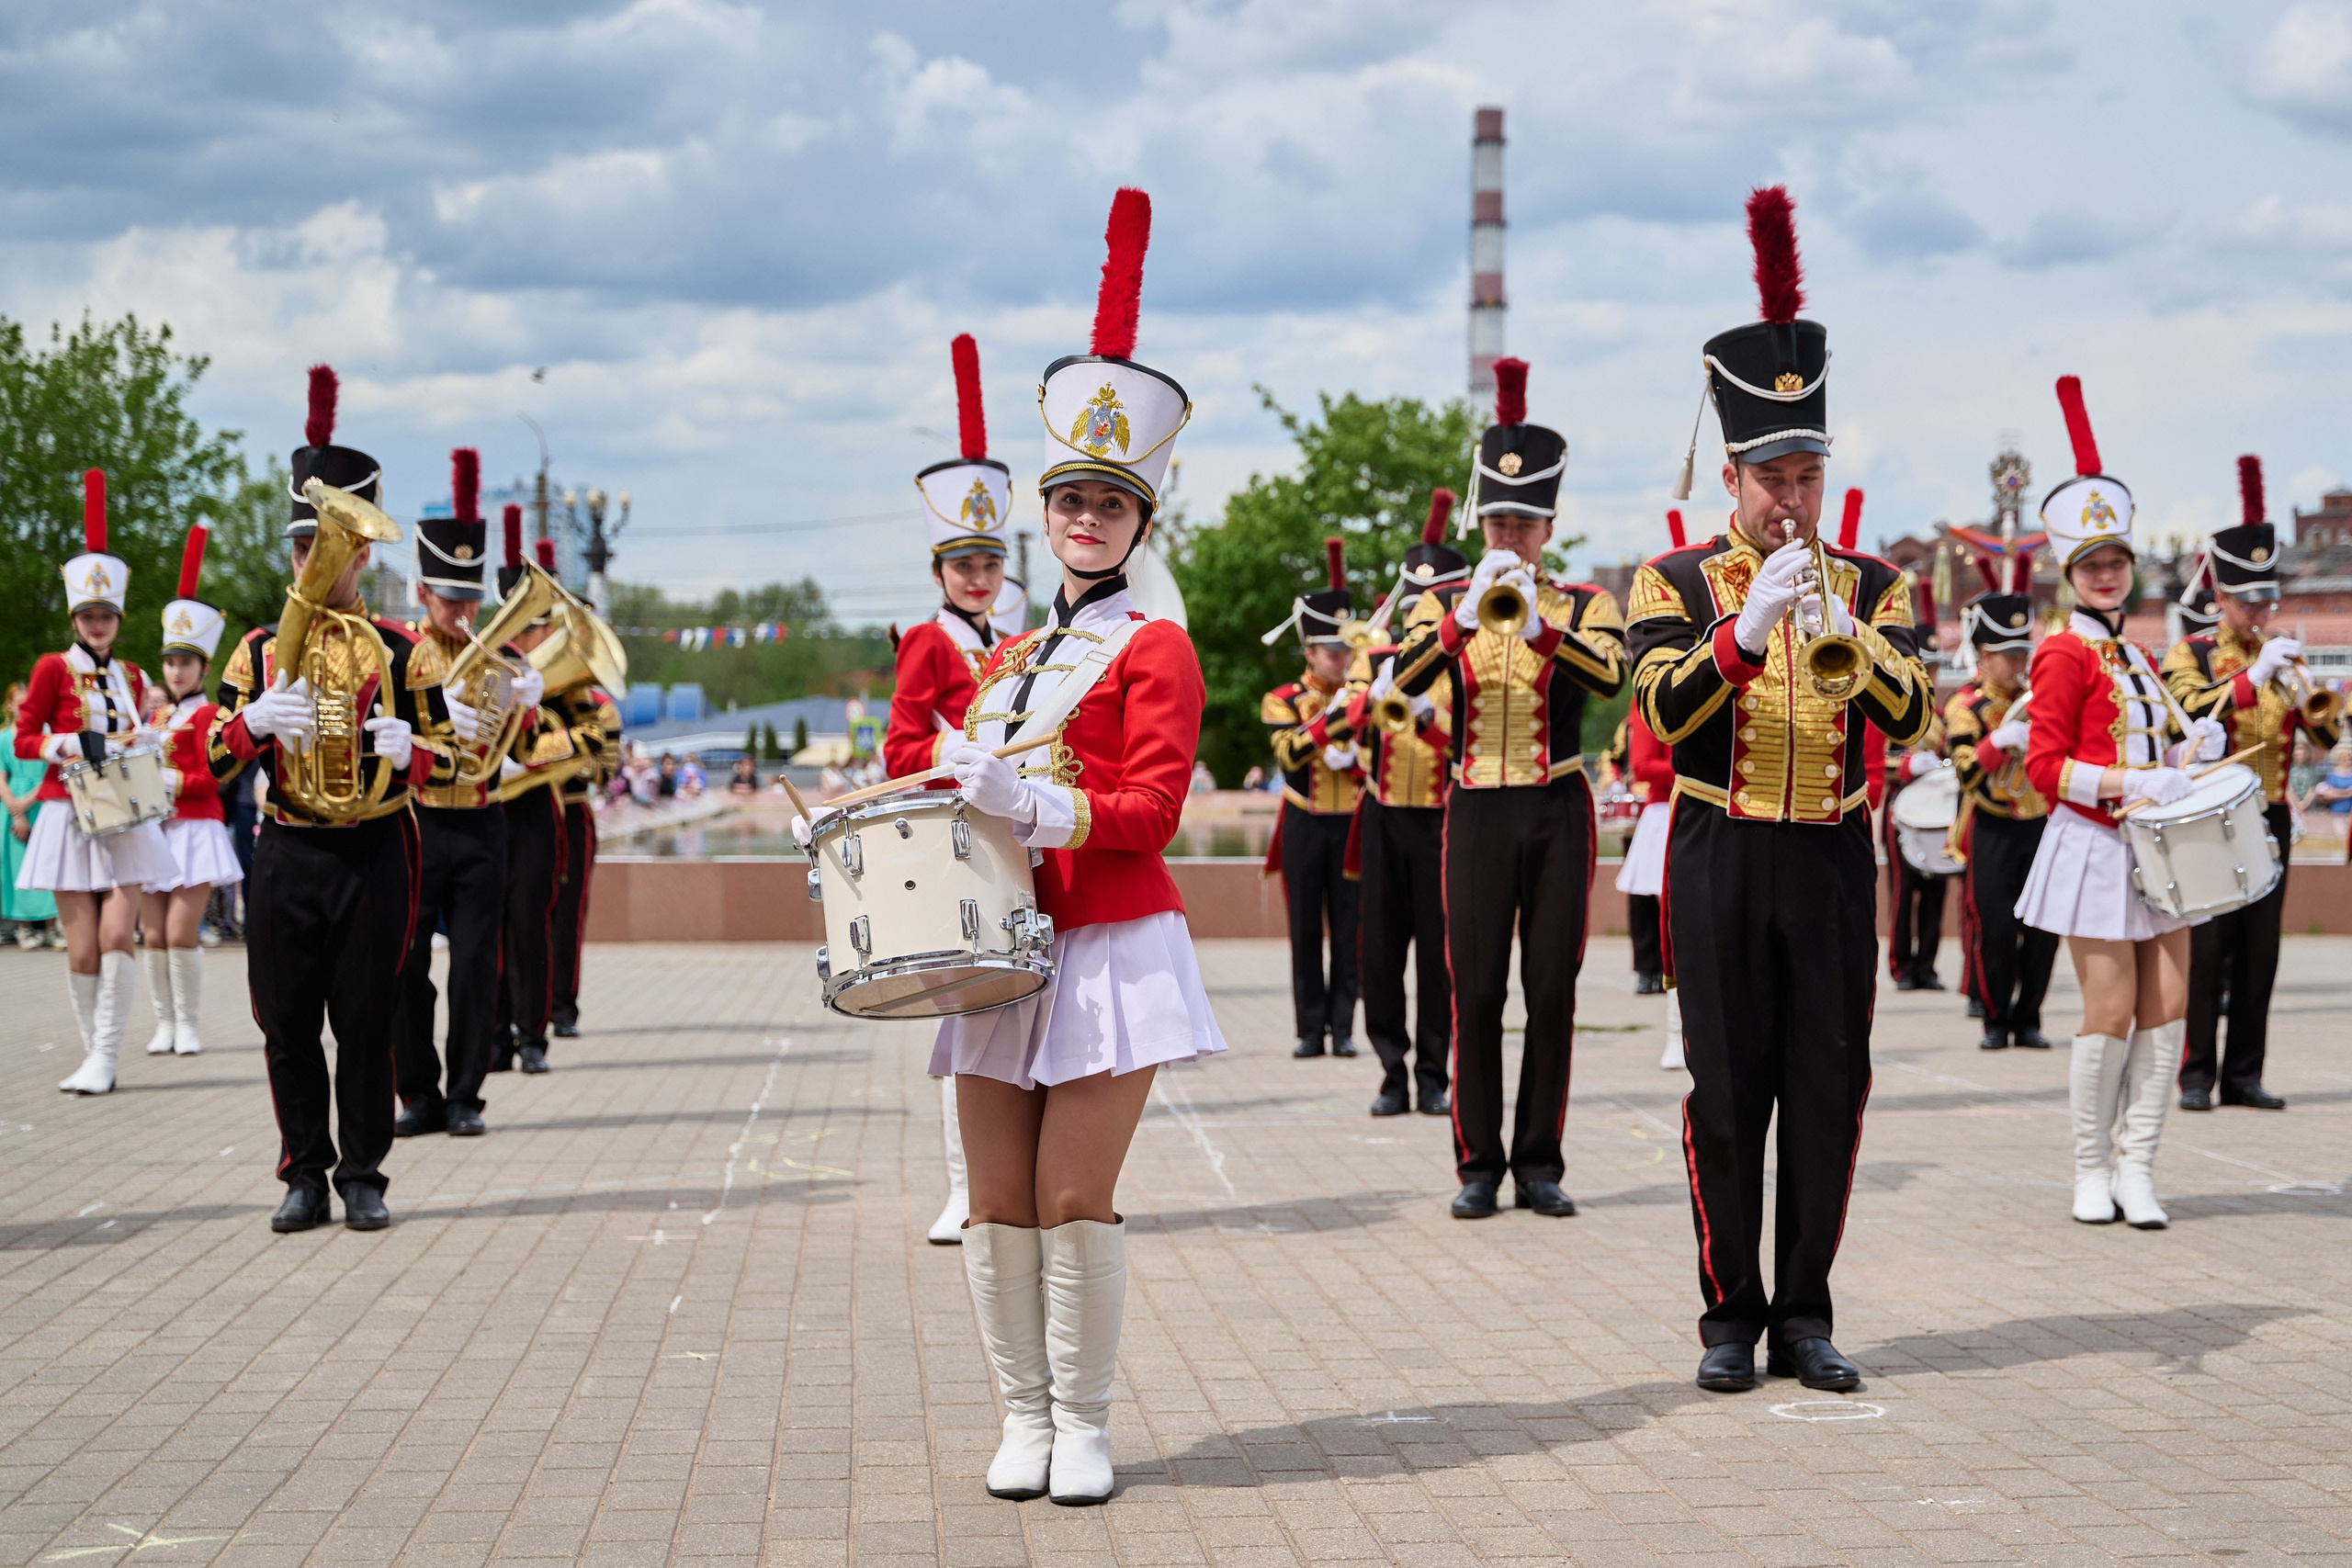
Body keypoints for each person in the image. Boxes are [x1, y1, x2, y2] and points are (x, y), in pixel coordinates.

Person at [917, 187, 1224, 1507]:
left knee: (1068, 1195)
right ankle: (1023, 1418)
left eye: (1110, 501)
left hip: (1109, 944)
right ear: (1044, 514)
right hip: (1002, 949)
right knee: (993, 1199)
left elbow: (1155, 811)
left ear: (1140, 520)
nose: (1088, 518)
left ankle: (1085, 1422)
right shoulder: (1010, 660)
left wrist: (1036, 804)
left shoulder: (1157, 647)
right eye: (1070, 500)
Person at [1629, 188, 1932, 1393]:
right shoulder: (1671, 581)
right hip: (1719, 849)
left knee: (1827, 1084)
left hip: (1829, 856)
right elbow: (1659, 714)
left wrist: (1857, 639)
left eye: (1807, 475)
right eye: (1773, 478)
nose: (1791, 498)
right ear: (1734, 474)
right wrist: (1745, 633)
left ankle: (1805, 1311)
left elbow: (1914, 714)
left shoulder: (1876, 583)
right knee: (1726, 1091)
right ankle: (1728, 1314)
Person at [209, 365, 458, 1232]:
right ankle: (303, 1172)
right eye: (302, 548)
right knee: (285, 1021)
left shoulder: (404, 650)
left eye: (332, 548)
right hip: (287, 846)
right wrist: (252, 726)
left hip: (374, 847)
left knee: (365, 1016)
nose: (313, 564)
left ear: (362, 554)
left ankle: (363, 1174)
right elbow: (207, 759)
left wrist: (410, 749)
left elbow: (454, 758)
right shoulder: (255, 649)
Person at [1391, 356, 1627, 1221]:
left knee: (1552, 990)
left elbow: (1613, 676)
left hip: (1558, 803)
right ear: (1481, 521)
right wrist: (1461, 619)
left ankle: (1539, 1161)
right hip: (1477, 805)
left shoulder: (1583, 602)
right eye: (1498, 521)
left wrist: (1540, 628)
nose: (1510, 537)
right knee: (1478, 989)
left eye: (1525, 524)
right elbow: (1399, 679)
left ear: (1549, 527)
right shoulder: (1441, 602)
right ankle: (1478, 1163)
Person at [2013, 375, 2224, 1232]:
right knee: (2108, 1009)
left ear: (2132, 568)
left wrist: (2183, 756)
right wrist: (2134, 783)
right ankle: (2090, 1168)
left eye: (2117, 563)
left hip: (2158, 849)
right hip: (2097, 846)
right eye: (2092, 565)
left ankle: (2139, 1167)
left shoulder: (2136, 655)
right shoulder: (2062, 651)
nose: (2107, 575)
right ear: (2071, 573)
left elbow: (2143, 751)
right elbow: (2044, 767)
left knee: (2168, 1007)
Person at [885, 331, 1016, 1247]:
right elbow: (899, 746)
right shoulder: (928, 641)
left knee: (1012, 1010)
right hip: (949, 841)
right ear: (938, 572)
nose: (978, 577)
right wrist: (951, 752)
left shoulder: (1015, 644)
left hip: (1009, 836)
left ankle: (1002, 1183)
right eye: (964, 565)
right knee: (967, 1017)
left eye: (990, 564)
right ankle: (963, 1187)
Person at [2164, 455, 2338, 1112]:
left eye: (2267, 599)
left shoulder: (2281, 656)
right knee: (2208, 949)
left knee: (2260, 951)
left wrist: (2310, 691)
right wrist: (2254, 676)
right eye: (2248, 601)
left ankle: (2244, 1073)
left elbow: (2325, 736)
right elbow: (2186, 712)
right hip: (2210, 815)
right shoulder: (2193, 653)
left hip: (2269, 815)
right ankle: (2196, 1074)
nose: (2259, 611)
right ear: (2221, 599)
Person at [390, 450, 539, 1142]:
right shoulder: (400, 653)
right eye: (450, 597)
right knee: (407, 964)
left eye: (471, 597)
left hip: (482, 821)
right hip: (417, 821)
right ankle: (417, 1091)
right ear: (423, 592)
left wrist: (527, 703)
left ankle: (465, 1095)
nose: (463, 610)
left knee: (477, 964)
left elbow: (519, 751)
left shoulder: (500, 659)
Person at [16, 469, 175, 1094]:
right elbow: (24, 737)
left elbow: (138, 733)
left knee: (116, 934)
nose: (98, 622)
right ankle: (93, 1055)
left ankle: (106, 1057)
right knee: (81, 949)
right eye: (89, 613)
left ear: (118, 615)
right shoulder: (52, 668)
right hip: (66, 811)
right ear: (75, 615)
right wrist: (66, 743)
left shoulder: (133, 677)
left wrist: (148, 742)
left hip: (127, 811)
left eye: (106, 613)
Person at [1335, 489, 1463, 1116]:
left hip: (1442, 817)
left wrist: (1427, 715)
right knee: (1380, 952)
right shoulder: (1378, 652)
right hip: (1384, 813)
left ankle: (1434, 1075)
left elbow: (1464, 739)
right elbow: (1344, 720)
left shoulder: (1460, 655)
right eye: (1414, 601)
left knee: (1439, 956)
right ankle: (1392, 1072)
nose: (1419, 613)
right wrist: (1372, 697)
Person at [138, 525, 244, 1057]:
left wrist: (170, 780)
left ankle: (190, 1024)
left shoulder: (211, 715)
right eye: (170, 661)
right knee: (153, 936)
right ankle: (163, 1023)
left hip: (196, 831)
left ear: (204, 666)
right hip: (153, 831)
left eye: (186, 662)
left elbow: (217, 779)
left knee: (181, 933)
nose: (176, 670)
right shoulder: (153, 717)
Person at [1261, 538, 1365, 1060]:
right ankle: (1309, 1029)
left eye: (1347, 651)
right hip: (1304, 823)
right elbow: (1290, 756)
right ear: (1309, 652)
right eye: (1331, 651)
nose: (1341, 660)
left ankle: (1343, 1028)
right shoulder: (1282, 699)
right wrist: (1337, 717)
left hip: (1352, 825)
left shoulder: (1366, 698)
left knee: (1350, 931)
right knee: (1305, 929)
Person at [1944, 589, 2057, 1052]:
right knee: (1996, 929)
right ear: (1985, 656)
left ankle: (2029, 1019)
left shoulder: (2043, 700)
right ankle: (1995, 1020)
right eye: (2008, 655)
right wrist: (1997, 743)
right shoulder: (1966, 707)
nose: (2018, 663)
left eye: (2022, 653)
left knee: (2044, 930)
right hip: (1992, 827)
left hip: (2040, 823)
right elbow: (1966, 773)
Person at [547, 631, 619, 1044]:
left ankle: (562, 1007)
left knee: (569, 914)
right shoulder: (527, 696)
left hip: (572, 810)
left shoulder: (600, 707)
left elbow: (605, 771)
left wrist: (562, 753)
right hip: (524, 810)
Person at [1882, 718, 1950, 989]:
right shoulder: (1889, 713)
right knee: (1902, 893)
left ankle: (1926, 966)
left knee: (1936, 894)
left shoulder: (1942, 717)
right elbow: (1873, 761)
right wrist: (1907, 765)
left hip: (1937, 810)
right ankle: (1902, 967)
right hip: (1901, 811)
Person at [0, 682, 62, 950]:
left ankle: (52, 927)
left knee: (49, 863)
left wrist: (27, 802)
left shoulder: (47, 736)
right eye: (20, 704)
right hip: (12, 807)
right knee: (17, 866)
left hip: (43, 801)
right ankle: (24, 928)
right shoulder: (3, 738)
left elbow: (53, 772)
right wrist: (16, 811)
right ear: (10, 706)